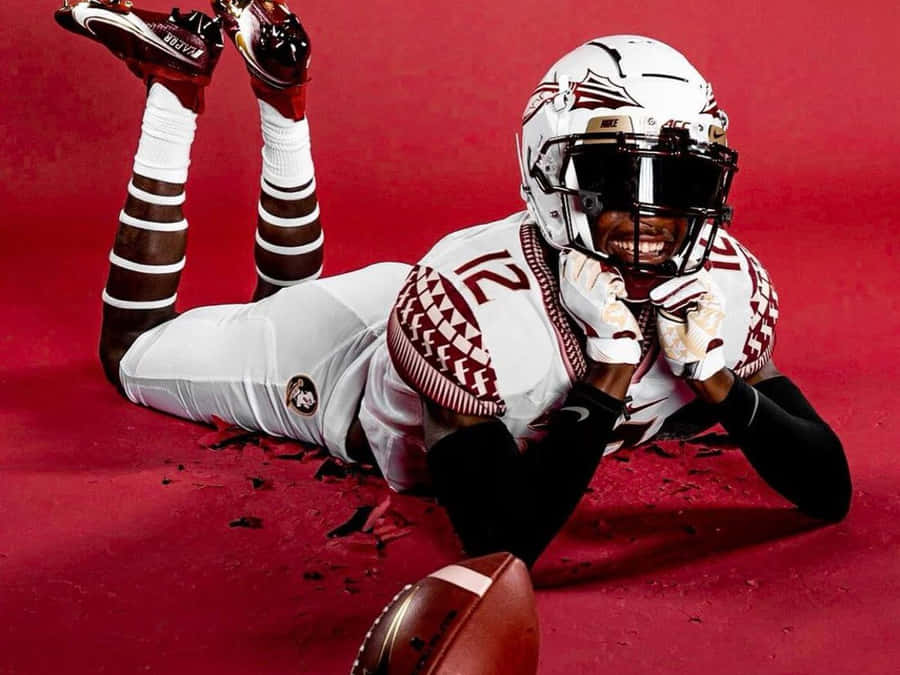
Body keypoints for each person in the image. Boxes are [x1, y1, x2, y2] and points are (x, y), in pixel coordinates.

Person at [56, 0, 851, 568]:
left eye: (679, 180)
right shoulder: (471, 310)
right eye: (617, 176)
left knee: (273, 300)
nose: (652, 214)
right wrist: (609, 375)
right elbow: (503, 544)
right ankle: (175, 96)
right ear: (546, 170)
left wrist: (716, 380)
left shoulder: (722, 285)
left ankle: (281, 96)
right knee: (132, 352)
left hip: (423, 297)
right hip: (339, 361)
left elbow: (830, 486)